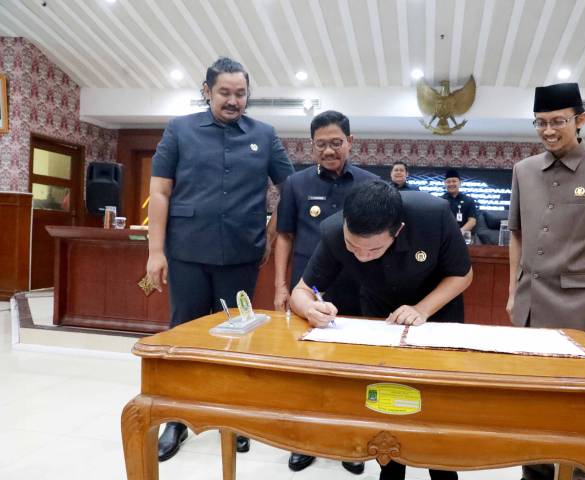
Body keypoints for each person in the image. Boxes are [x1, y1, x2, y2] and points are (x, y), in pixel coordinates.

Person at [145, 57, 294, 462]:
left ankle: (233, 416)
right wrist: (155, 252)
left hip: (242, 254)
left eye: (240, 93)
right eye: (225, 92)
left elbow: (291, 188)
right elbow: (159, 192)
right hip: (187, 252)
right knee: (184, 335)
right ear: (206, 91)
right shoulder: (179, 130)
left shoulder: (264, 135)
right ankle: (177, 417)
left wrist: (271, 230)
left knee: (236, 336)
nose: (233, 100)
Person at [290, 180, 473, 480]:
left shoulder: (434, 216)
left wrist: (422, 309)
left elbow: (463, 275)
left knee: (436, 407)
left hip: (435, 313)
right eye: (353, 247)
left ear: (397, 231)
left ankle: (443, 471)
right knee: (387, 399)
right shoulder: (334, 231)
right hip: (381, 318)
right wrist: (310, 309)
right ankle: (390, 469)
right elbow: (301, 291)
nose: (361, 256)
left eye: (374, 249)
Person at [506, 83, 585, 480]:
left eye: (558, 121)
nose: (548, 131)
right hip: (530, 303)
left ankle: (574, 474)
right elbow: (516, 234)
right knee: (530, 401)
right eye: (540, 122)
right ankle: (533, 474)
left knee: (574, 403)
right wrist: (512, 291)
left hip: (579, 307)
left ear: (581, 120)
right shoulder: (524, 171)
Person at [273, 110, 377, 474]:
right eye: (321, 144)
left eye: (336, 142)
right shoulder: (295, 184)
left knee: (352, 370)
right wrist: (281, 286)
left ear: (350, 142)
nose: (329, 150)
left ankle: (351, 442)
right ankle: (305, 440)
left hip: (357, 289)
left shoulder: (370, 184)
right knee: (306, 369)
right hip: (308, 289)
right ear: (311, 146)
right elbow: (284, 236)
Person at [441, 169, 477, 234]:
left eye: (454, 181)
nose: (451, 184)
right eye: (448, 182)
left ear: (460, 183)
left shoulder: (469, 200)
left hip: (463, 235)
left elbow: (472, 221)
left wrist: (458, 233)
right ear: (445, 184)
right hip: (445, 235)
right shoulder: (440, 200)